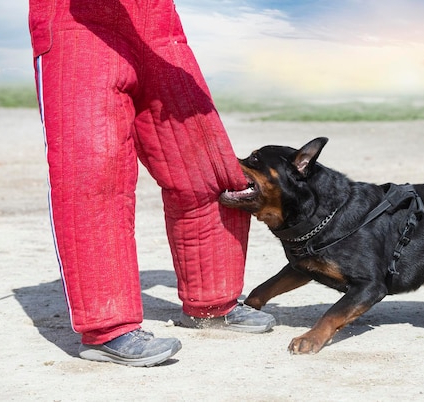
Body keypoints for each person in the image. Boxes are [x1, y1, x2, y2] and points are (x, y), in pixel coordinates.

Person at [28, 0, 275, 367]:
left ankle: (212, 303)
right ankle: (109, 328)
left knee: (204, 167)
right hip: (77, 29)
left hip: (158, 28)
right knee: (94, 176)